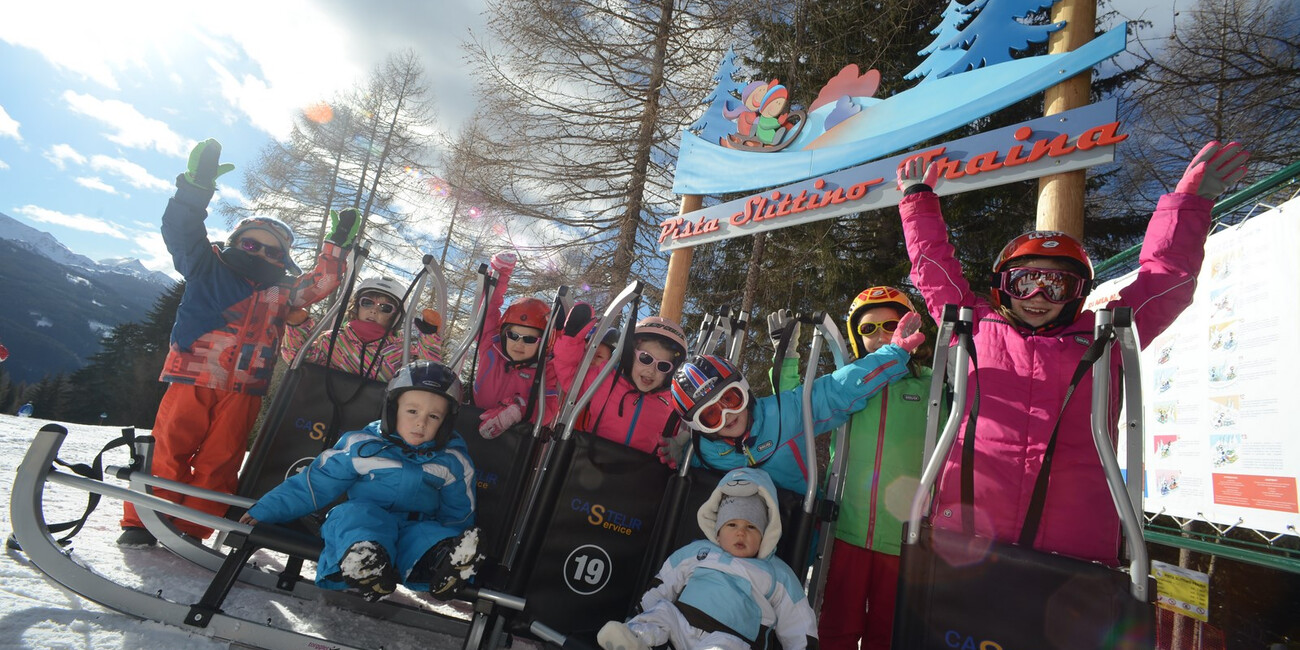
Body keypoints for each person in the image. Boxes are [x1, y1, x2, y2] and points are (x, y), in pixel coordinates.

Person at [895, 140, 1249, 564]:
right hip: (970, 529)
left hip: (1073, 542)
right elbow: (933, 271)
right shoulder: (975, 327)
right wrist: (918, 206)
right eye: (1025, 282)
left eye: (1058, 285)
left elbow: (1166, 280)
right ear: (1003, 287)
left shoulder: (1103, 339)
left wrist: (1188, 205)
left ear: (1078, 293)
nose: (1039, 296)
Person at [117, 138, 352, 547]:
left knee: (222, 459)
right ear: (234, 243)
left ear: (282, 259)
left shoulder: (282, 290)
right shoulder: (206, 265)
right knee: (169, 449)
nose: (259, 251)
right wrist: (195, 188)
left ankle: (192, 526)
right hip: (192, 375)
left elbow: (323, 283)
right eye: (250, 243)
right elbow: (180, 230)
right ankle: (142, 521)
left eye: (271, 249)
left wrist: (338, 247)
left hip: (245, 387)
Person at [239, 360, 483, 601]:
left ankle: (445, 562)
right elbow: (314, 484)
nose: (421, 422)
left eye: (434, 416)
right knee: (350, 517)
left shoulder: (453, 461)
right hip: (367, 516)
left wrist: (453, 538)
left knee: (430, 536)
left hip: (415, 526)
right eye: (412, 411)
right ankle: (365, 560)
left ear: (446, 424)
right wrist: (268, 510)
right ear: (392, 409)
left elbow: (458, 512)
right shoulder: (363, 446)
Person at [671, 312, 925, 494]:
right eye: (711, 415)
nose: (727, 416)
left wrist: (892, 353)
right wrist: (676, 452)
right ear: (700, 427)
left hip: (795, 527)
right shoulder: (701, 453)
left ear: (745, 391)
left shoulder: (783, 413)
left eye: (730, 399)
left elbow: (837, 389)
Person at [818, 286, 936, 650]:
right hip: (847, 529)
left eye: (891, 324)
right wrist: (786, 360)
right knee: (836, 626)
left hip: (902, 536)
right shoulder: (848, 382)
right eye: (869, 329)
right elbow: (801, 406)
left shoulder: (931, 384)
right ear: (856, 336)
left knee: (887, 633)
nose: (883, 335)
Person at [596, 467, 816, 650]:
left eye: (751, 527)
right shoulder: (699, 552)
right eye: (732, 525)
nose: (741, 533)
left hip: (731, 638)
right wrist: (642, 610)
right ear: (718, 530)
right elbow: (667, 580)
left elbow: (797, 620)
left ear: (766, 534)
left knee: (726, 646)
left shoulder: (776, 573)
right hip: (681, 627)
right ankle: (635, 640)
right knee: (662, 613)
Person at [549, 304, 688, 457]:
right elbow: (570, 374)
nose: (652, 370)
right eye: (645, 358)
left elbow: (687, 435)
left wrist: (682, 448)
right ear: (629, 356)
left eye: (663, 366)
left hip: (638, 474)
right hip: (592, 463)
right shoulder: (605, 381)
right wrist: (571, 339)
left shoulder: (671, 405)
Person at [280, 276, 443, 380]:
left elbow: (424, 378)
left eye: (385, 308)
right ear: (356, 307)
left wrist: (428, 338)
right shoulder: (333, 340)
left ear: (396, 317)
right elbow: (297, 358)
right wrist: (297, 326)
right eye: (367, 302)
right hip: (321, 408)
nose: (374, 310)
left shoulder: (400, 353)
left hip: (369, 422)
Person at [472, 251, 557, 438]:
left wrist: (518, 410)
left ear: (544, 342)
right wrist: (500, 276)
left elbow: (549, 406)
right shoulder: (491, 348)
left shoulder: (545, 369)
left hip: (513, 441)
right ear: (504, 334)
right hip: (473, 421)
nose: (519, 343)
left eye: (529, 339)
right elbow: (488, 310)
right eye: (513, 335)